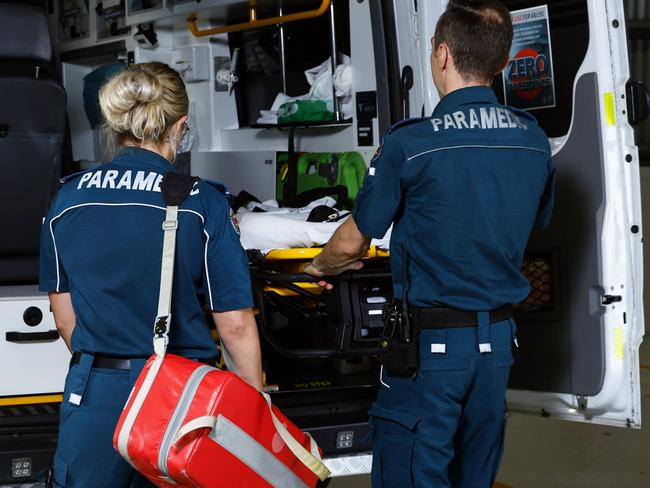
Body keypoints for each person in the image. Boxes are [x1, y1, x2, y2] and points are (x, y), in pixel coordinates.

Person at [305, 1, 556, 486]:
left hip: (432, 350)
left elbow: (353, 242)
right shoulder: (534, 141)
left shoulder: (413, 143)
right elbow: (533, 222)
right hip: (499, 347)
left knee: (412, 469)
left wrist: (319, 267)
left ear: (441, 54)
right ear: (502, 64)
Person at [39, 62, 263, 488]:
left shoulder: (67, 199)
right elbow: (234, 325)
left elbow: (65, 316)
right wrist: (251, 416)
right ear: (180, 126)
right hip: (180, 397)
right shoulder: (202, 202)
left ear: (113, 124)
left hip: (93, 392)